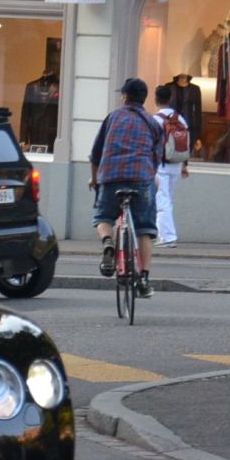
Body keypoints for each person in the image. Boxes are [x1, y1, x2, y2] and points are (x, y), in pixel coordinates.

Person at [89, 78, 164, 299]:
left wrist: (95, 180)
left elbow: (96, 153)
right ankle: (143, 278)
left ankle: (108, 242)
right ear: (144, 98)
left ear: (125, 97)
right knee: (145, 230)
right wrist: (149, 177)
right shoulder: (152, 122)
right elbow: (157, 157)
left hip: (111, 176)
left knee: (103, 217)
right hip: (141, 178)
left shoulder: (112, 117)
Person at [153, 83, 189, 248]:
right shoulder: (180, 118)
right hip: (176, 163)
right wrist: (184, 165)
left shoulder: (155, 120)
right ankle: (163, 234)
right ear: (170, 99)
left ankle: (168, 237)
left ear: (156, 99)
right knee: (168, 200)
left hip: (161, 165)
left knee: (162, 201)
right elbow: (185, 142)